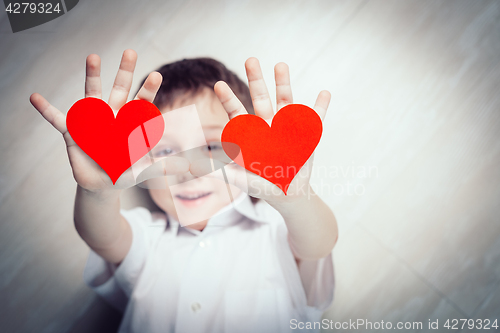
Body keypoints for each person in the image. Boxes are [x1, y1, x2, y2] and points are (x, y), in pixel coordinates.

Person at [30, 49, 338, 333]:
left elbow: (318, 244)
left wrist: (295, 199)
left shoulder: (275, 231)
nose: (190, 169)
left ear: (252, 149)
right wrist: (99, 191)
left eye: (211, 146)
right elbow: (103, 236)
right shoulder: (147, 238)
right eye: (165, 151)